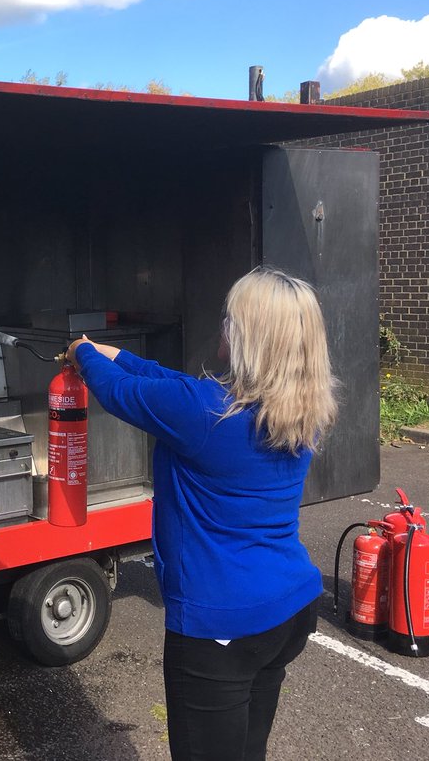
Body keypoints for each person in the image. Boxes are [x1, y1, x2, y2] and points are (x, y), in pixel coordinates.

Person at [65, 267, 338, 761]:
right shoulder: (299, 408)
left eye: (231, 319)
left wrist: (83, 354)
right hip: (287, 610)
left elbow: (121, 393)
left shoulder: (205, 415)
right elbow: (179, 389)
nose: (223, 325)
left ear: (251, 338)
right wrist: (120, 356)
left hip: (222, 629)